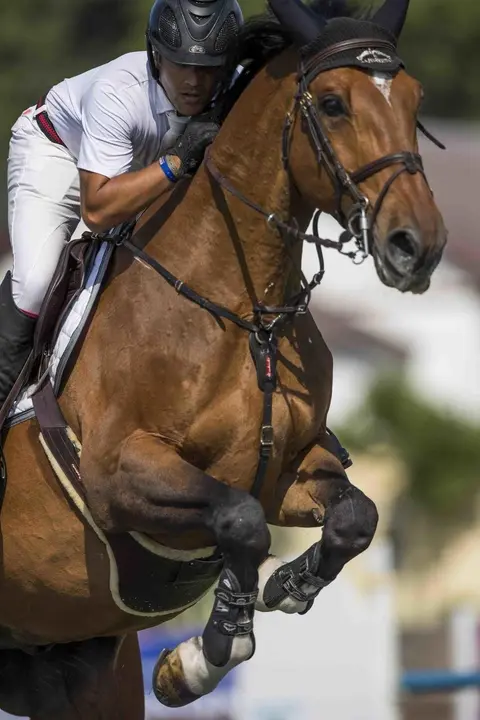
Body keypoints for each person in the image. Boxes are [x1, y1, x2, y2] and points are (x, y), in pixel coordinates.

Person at [0, 0, 243, 413]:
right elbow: (97, 212)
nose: (194, 82)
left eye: (208, 68)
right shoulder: (118, 91)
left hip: (134, 169)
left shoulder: (234, 86)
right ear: (156, 56)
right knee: (36, 281)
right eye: (181, 64)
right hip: (57, 154)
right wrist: (175, 161)